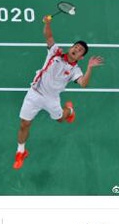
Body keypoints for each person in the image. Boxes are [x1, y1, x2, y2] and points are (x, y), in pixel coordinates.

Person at [13, 15, 104, 170]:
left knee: (61, 119)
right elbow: (49, 37)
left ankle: (70, 110)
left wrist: (89, 68)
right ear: (71, 47)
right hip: (35, 93)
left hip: (52, 99)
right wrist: (47, 23)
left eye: (80, 50)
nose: (76, 49)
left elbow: (83, 84)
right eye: (76, 46)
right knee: (24, 124)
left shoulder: (75, 70)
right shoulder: (55, 53)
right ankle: (21, 151)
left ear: (81, 57)